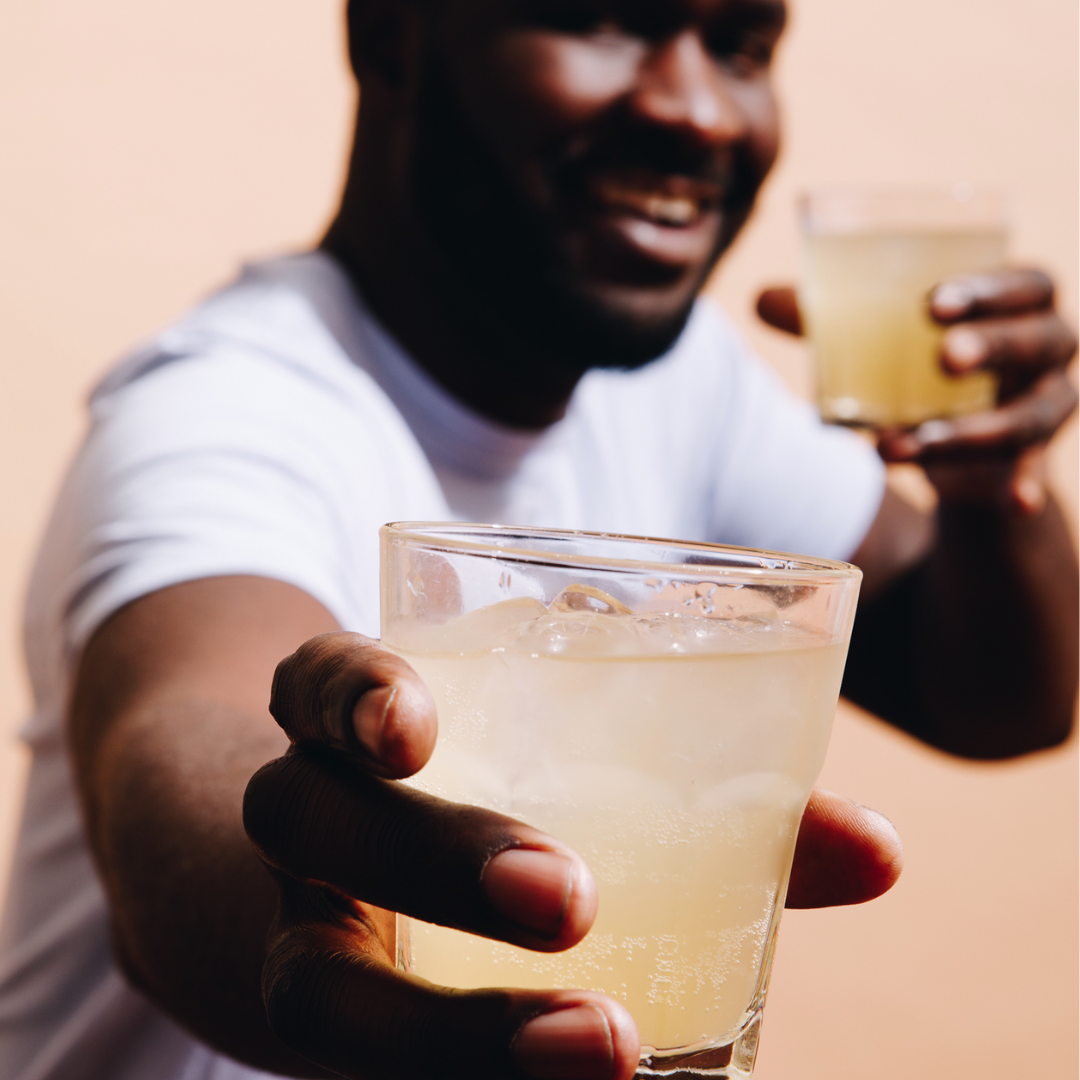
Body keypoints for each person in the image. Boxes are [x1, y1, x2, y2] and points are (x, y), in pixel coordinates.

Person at [0, 1, 1075, 1078]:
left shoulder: (679, 381)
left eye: (742, 45)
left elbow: (995, 693)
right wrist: (307, 890)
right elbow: (177, 754)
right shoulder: (220, 411)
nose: (695, 108)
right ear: (388, 34)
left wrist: (991, 486)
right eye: (600, 19)